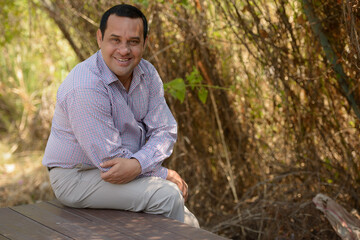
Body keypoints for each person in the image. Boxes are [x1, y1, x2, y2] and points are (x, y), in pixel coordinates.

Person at [43, 3, 199, 228]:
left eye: (133, 42)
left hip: (119, 169)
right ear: (100, 38)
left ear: (145, 42)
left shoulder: (148, 74)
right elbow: (111, 162)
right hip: (77, 177)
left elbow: (165, 130)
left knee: (191, 224)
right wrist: (162, 173)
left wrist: (137, 164)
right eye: (115, 40)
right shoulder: (85, 86)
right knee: (166, 195)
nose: (124, 50)